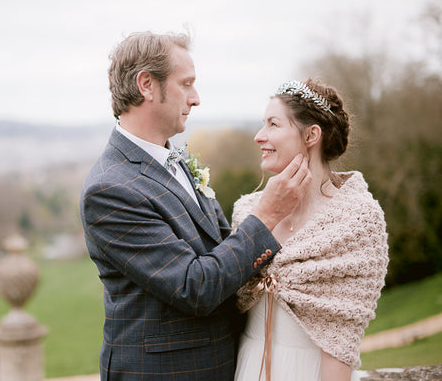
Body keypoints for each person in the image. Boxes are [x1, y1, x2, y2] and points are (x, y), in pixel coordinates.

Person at [79, 30, 312, 380]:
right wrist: (267, 214)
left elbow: (220, 246)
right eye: (186, 84)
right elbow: (195, 287)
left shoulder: (176, 159)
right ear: (147, 84)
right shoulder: (110, 189)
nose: (196, 98)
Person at [232, 79, 389, 381]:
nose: (259, 136)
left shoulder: (357, 222)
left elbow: (341, 340)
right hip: (245, 367)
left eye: (273, 124)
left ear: (311, 135)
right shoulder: (247, 212)